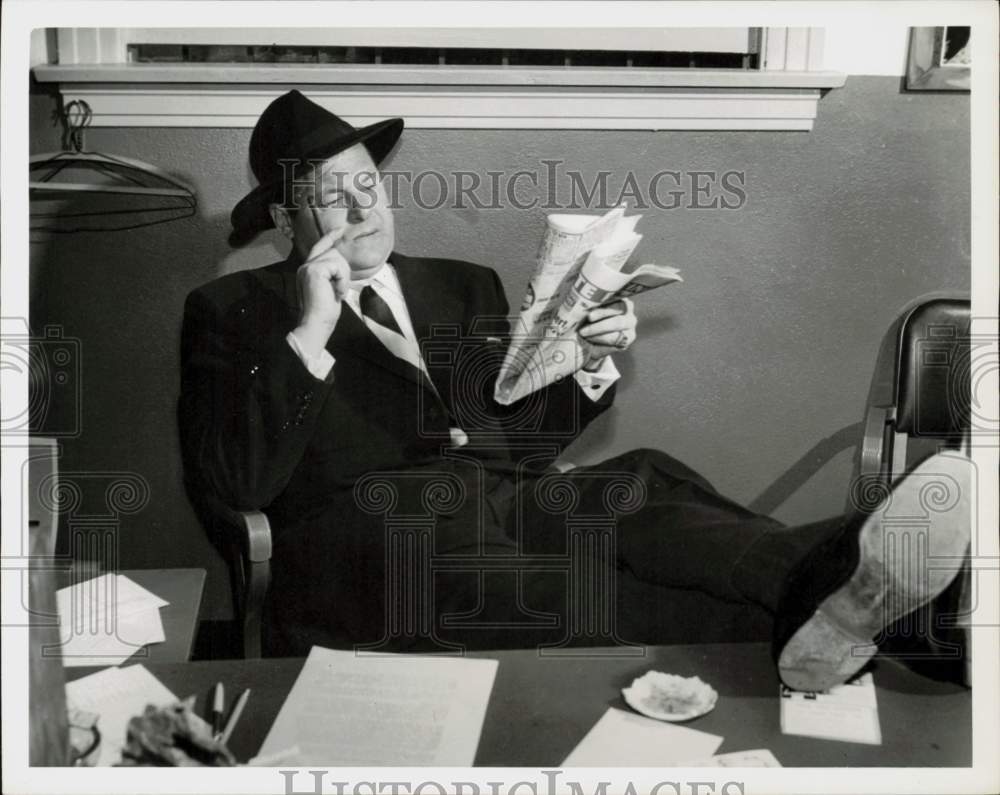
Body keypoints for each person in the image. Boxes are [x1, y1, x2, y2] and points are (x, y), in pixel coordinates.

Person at [178, 90, 972, 692]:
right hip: (381, 544)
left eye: (366, 184)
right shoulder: (233, 311)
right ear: (287, 217)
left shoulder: (460, 285)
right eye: (328, 194)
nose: (361, 209)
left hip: (506, 500)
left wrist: (589, 363)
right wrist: (310, 334)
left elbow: (521, 444)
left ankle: (837, 584)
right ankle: (883, 625)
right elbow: (235, 485)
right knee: (594, 591)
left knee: (644, 484)